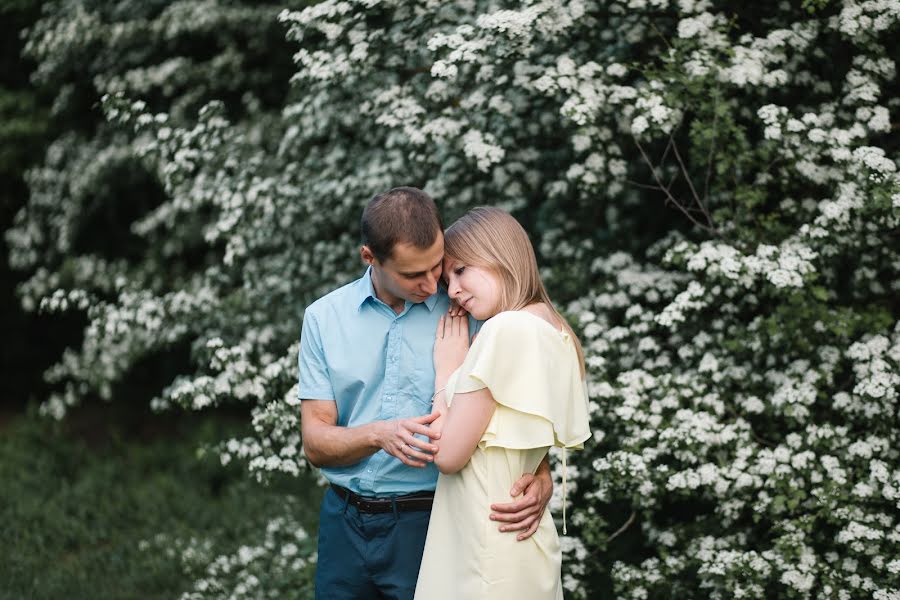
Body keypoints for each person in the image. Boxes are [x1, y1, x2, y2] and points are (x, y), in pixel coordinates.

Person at [298, 188, 554, 600]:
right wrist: (378, 434)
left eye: (437, 266)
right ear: (370, 258)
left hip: (435, 520)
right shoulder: (323, 319)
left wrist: (541, 473)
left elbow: (509, 406)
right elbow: (315, 442)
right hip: (344, 525)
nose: (432, 283)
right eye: (413, 274)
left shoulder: (469, 308)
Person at [414, 207, 591, 600]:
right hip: (518, 541)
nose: (453, 290)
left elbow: (447, 456)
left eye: (460, 271)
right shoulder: (557, 329)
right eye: (448, 280)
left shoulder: (505, 329)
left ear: (499, 255)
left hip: (484, 546)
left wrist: (447, 367)